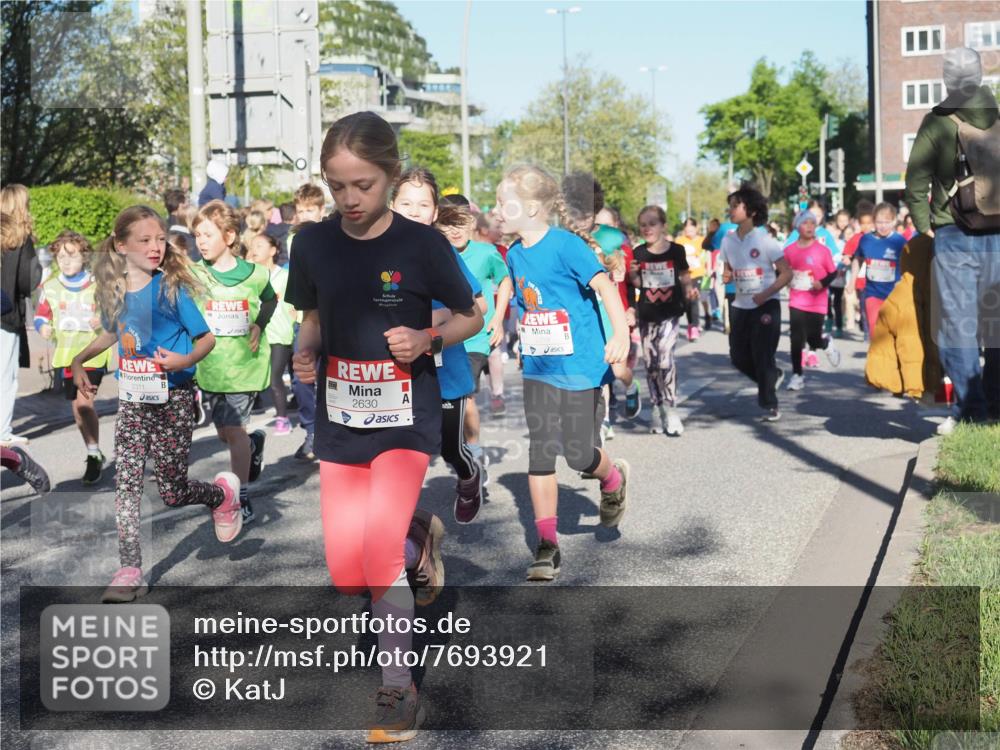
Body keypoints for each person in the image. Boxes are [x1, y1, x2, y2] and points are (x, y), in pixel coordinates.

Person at [286, 112, 483, 744]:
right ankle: (418, 539)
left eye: (362, 185)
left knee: (374, 558)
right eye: (336, 184)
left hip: (406, 419)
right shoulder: (311, 243)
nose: (348, 199)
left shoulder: (422, 245)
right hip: (342, 420)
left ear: (390, 177)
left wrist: (428, 337)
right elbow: (313, 314)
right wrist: (305, 347)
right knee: (349, 575)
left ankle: (398, 687)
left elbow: (470, 316)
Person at [70, 205, 241, 603]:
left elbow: (206, 338)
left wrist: (184, 361)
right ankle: (129, 569)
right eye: (145, 240)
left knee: (172, 490)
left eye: (160, 239)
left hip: (175, 398)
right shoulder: (115, 292)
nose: (155, 247)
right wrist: (80, 359)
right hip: (133, 402)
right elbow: (113, 333)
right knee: (126, 482)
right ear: (120, 245)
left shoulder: (170, 289)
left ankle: (221, 496)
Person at [497, 165, 631, 582]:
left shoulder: (566, 246)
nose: (496, 209)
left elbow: (606, 287)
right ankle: (547, 546)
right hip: (540, 367)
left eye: (504, 202)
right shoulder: (515, 254)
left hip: (580, 366)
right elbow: (530, 305)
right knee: (541, 450)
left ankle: (611, 478)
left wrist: (622, 335)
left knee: (577, 454)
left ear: (532, 208)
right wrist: (521, 342)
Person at [904, 46, 1000, 431]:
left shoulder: (938, 120)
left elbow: (916, 180)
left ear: (947, 78)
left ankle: (970, 408)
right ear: (978, 77)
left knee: (956, 325)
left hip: (954, 231)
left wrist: (924, 222)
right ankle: (995, 406)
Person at [391, 168, 488, 523]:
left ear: (434, 212)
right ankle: (402, 525)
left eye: (422, 204)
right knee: (402, 450)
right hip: (397, 370)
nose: (414, 210)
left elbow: (477, 305)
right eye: (406, 202)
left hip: (445, 366)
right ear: (391, 205)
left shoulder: (441, 249)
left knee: (449, 447)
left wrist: (437, 318)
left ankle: (469, 476)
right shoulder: (375, 250)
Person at [191, 200, 275, 525]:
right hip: (211, 366)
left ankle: (239, 497)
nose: (200, 241)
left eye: (207, 234)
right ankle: (253, 445)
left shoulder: (256, 274)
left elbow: (270, 300)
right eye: (197, 234)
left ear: (228, 236)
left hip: (245, 364)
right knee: (225, 431)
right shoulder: (195, 273)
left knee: (235, 431)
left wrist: (259, 324)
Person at [440, 194, 512, 481]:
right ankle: (458, 449)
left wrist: (498, 318)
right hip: (441, 340)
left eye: (461, 221)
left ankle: (475, 451)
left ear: (472, 223)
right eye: (447, 223)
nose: (455, 229)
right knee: (448, 400)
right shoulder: (434, 255)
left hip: (475, 337)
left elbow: (504, 280)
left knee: (464, 394)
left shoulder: (485, 253)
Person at [33, 231, 112, 482]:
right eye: (60, 257)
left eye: (72, 256)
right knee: (77, 411)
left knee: (85, 404)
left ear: (84, 256)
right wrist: (42, 326)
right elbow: (41, 315)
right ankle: (94, 451)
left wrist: (102, 318)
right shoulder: (51, 287)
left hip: (92, 355)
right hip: (65, 355)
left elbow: (112, 312)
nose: (65, 262)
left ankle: (92, 455)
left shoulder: (97, 283)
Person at [720, 187, 793, 422]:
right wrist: (726, 274)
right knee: (738, 357)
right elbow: (728, 266)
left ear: (750, 211)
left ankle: (770, 403)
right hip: (740, 305)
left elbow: (786, 273)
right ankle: (773, 376)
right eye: (730, 205)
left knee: (763, 355)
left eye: (735, 206)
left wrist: (766, 293)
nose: (730, 210)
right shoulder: (728, 239)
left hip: (766, 304)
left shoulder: (765, 240)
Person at [629, 206, 692, 435]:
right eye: (643, 225)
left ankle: (671, 407)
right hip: (647, 314)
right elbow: (638, 284)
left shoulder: (676, 250)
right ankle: (657, 406)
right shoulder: (639, 253)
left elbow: (685, 275)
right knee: (651, 362)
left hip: (670, 312)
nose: (647, 228)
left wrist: (690, 288)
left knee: (665, 358)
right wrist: (634, 274)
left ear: (663, 225)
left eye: (652, 223)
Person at [287, 184, 326, 460]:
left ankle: (328, 430)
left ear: (322, 210)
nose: (304, 215)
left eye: (310, 210)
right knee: (302, 380)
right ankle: (311, 430)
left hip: (332, 321)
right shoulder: (295, 240)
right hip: (305, 319)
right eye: (300, 210)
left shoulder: (333, 237)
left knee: (327, 379)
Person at [0, 185, 41, 446]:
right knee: (5, 375)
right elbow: (28, 281)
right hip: (7, 314)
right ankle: (2, 432)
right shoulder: (21, 239)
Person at [783, 211, 842, 391]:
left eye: (812, 223)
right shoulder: (789, 250)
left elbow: (833, 273)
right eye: (805, 223)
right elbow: (782, 271)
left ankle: (825, 343)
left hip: (817, 300)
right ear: (797, 227)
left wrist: (821, 283)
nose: (809, 226)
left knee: (813, 338)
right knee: (796, 338)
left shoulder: (822, 251)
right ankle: (797, 375)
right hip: (797, 299)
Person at [244, 233, 296, 436]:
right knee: (252, 379)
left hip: (279, 335)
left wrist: (297, 318)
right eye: (252, 246)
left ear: (273, 251)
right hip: (255, 334)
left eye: (259, 245)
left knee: (275, 380)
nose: (254, 249)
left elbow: (297, 301)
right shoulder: (251, 276)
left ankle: (282, 419)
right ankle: (241, 420)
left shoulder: (284, 276)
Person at [474, 211, 511, 417]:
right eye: (498, 226)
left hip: (496, 312)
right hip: (472, 312)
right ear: (485, 230)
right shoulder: (467, 249)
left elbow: (507, 279)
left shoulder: (501, 251)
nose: (502, 230)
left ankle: (497, 394)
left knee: (494, 352)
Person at [852, 202, 906, 345]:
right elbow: (858, 260)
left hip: (894, 295)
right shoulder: (866, 240)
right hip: (872, 294)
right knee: (875, 332)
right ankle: (878, 362)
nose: (883, 226)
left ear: (894, 221)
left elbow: (909, 264)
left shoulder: (899, 241)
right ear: (873, 221)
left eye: (887, 222)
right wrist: (851, 281)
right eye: (879, 222)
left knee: (894, 331)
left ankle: (893, 362)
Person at [674, 218, 711, 337]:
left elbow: (708, 254)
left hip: (697, 273)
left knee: (694, 299)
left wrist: (709, 268)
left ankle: (695, 326)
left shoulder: (701, 240)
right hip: (684, 275)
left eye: (691, 229)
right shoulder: (680, 240)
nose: (689, 232)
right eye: (687, 229)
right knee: (686, 301)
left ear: (696, 228)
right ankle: (691, 324)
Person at [164, 188, 200, 262]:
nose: (189, 204)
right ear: (181, 205)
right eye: (187, 202)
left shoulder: (163, 225)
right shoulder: (184, 230)